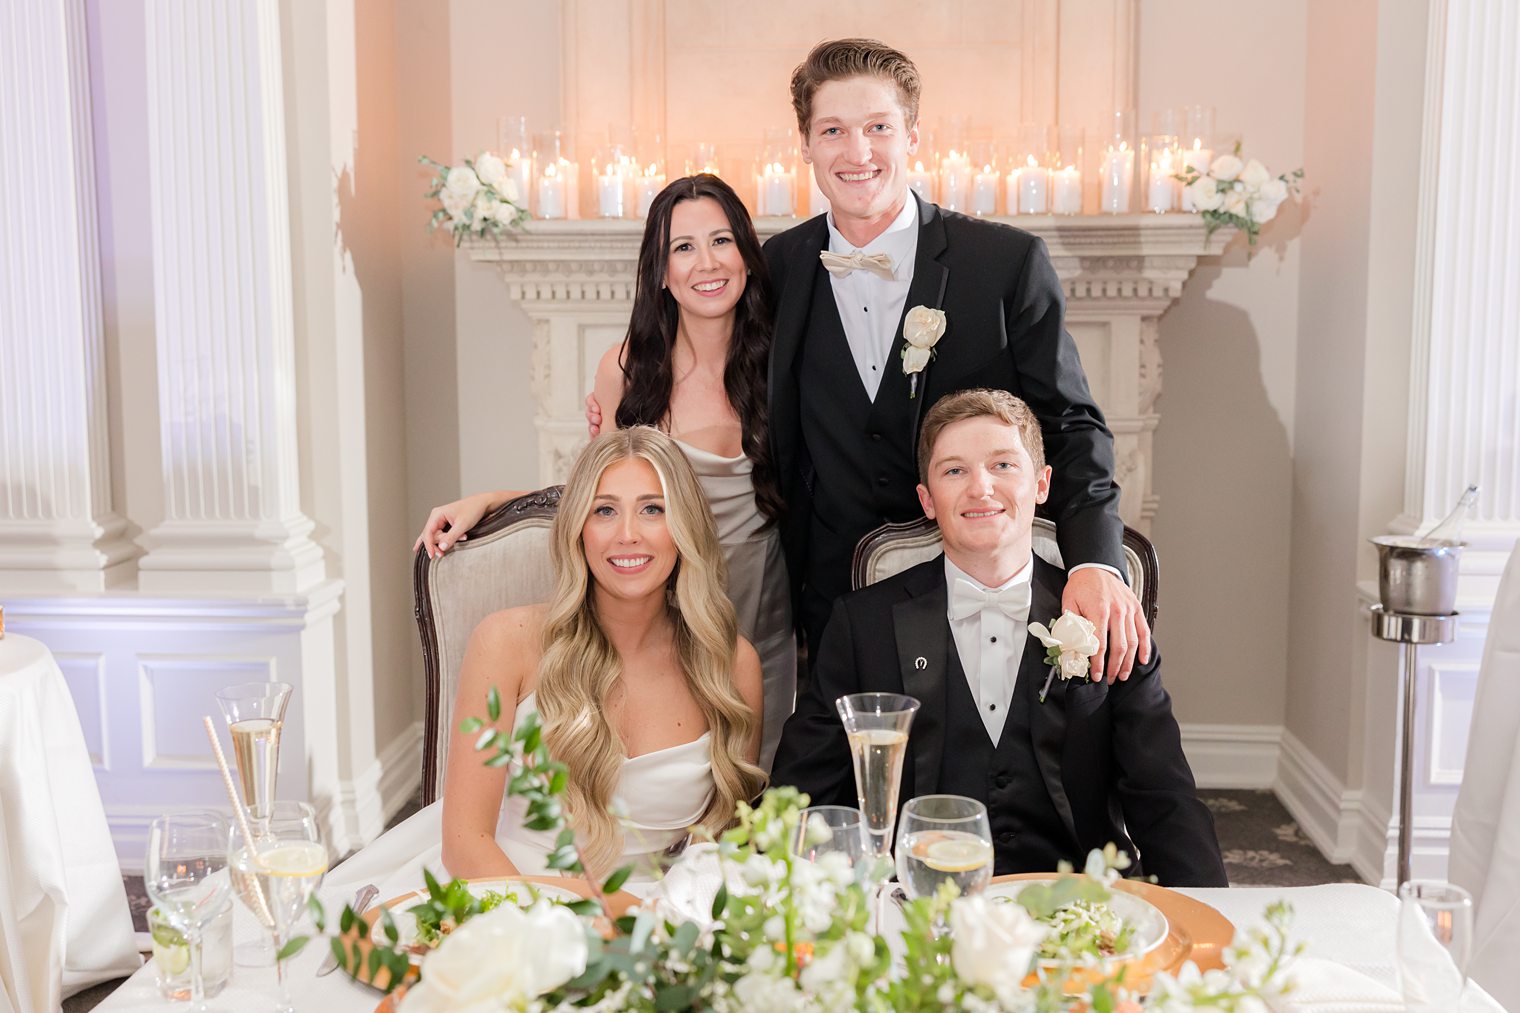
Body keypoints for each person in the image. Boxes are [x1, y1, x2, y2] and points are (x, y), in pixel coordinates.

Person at [591, 39, 1149, 686]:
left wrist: (1096, 562)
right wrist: (621, 381)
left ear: (914, 135)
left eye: (878, 127)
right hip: (828, 609)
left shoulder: (1003, 266)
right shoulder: (777, 269)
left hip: (976, 591)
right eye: (833, 130)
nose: (857, 153)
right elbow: (694, 345)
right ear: (805, 145)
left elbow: (1073, 425)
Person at [415, 175, 796, 771]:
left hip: (762, 609)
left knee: (747, 794)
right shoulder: (625, 369)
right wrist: (493, 500)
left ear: (746, 253)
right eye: (683, 247)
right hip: (661, 609)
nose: (707, 263)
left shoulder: (787, 362)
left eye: (722, 240)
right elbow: (606, 497)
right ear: (661, 270)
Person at [770, 390, 1226, 886]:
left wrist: (1209, 931)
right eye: (953, 471)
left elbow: (1165, 799)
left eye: (1003, 464)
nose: (980, 488)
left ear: (1042, 484)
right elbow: (804, 794)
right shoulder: (863, 625)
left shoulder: (1109, 617)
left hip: (1079, 907)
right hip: (921, 905)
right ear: (926, 498)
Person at [353, 427, 767, 900]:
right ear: (579, 529)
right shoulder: (507, 643)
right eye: (604, 510)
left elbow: (723, 849)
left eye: (653, 509)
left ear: (684, 527)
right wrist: (591, 917)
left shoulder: (731, 665)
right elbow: (467, 845)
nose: (627, 535)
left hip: (659, 924)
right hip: (503, 896)